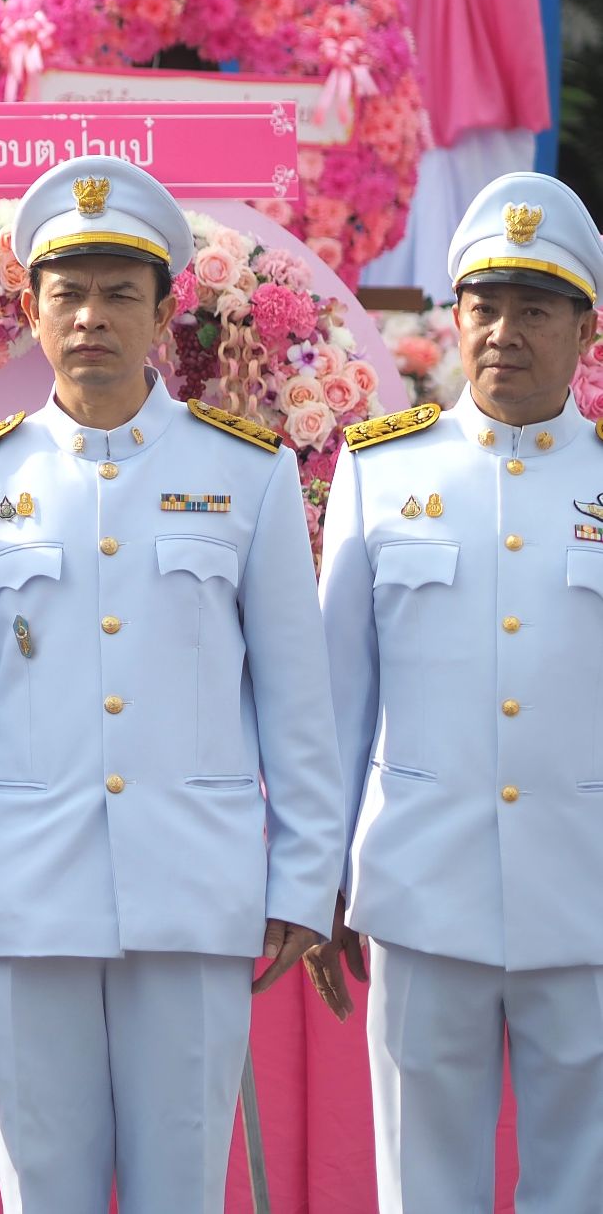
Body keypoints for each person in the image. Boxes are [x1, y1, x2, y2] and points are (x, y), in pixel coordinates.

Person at [0, 155, 344, 1213]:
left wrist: (300, 879)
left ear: (163, 312)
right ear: (31, 309)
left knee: (182, 1189)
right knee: (43, 1190)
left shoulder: (249, 474)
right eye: (69, 292)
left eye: (118, 293)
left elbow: (297, 702)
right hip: (22, 894)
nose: (92, 315)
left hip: (191, 891)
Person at [311, 173, 603, 1214]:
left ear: (585, 330)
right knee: (424, 1186)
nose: (504, 333)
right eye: (485, 306)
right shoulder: (381, 475)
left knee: (583, 1181)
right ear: (456, 314)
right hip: (421, 889)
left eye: (535, 310)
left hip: (587, 900)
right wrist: (318, 874)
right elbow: (336, 702)